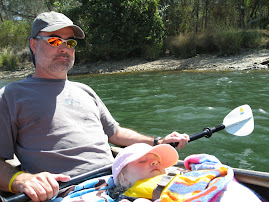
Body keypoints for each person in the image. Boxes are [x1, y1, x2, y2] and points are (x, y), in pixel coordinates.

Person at [0, 11, 189, 202]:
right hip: (70, 192)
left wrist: (157, 142)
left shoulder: (85, 90)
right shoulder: (10, 96)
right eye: (55, 41)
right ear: (34, 44)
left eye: (70, 42)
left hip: (119, 180)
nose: (64, 48)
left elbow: (115, 133)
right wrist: (21, 180)